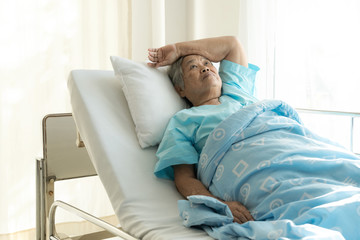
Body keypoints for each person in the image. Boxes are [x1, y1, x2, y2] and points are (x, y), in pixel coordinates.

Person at [148, 36, 258, 224]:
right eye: (193, 67)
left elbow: (232, 44)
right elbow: (184, 178)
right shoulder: (183, 121)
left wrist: (178, 49)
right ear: (180, 90)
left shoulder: (237, 94)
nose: (205, 68)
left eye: (207, 63)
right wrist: (220, 205)